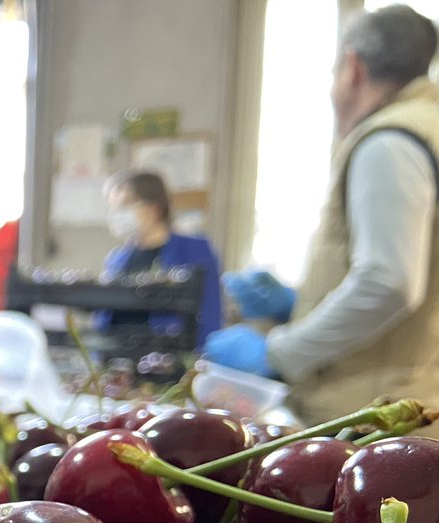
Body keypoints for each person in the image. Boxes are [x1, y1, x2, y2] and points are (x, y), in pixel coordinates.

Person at [206, 5, 439, 424]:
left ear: (353, 68)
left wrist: (278, 351)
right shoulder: (428, 127)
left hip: (376, 414)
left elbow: (390, 282)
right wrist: (301, 303)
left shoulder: (389, 140)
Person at [102, 170, 223, 346]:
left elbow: (210, 311)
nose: (116, 214)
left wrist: (197, 361)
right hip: (119, 357)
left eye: (125, 206)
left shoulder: (194, 249)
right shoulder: (116, 259)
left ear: (153, 209)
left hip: (171, 358)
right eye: (113, 207)